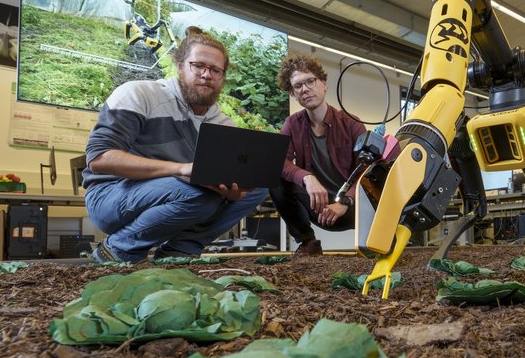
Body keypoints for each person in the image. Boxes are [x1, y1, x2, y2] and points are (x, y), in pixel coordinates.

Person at [82, 26, 267, 263]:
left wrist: (232, 193)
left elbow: (226, 188)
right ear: (180, 66)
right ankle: (118, 249)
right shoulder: (138, 94)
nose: (206, 74)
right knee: (197, 194)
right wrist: (181, 169)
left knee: (259, 186)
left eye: (215, 70)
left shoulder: (223, 124)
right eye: (198, 65)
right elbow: (99, 159)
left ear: (222, 77)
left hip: (178, 192)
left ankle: (179, 251)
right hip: (110, 195)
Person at [271, 53, 368, 256]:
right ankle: (308, 243)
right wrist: (307, 177)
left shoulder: (351, 123)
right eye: (298, 86)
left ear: (323, 83)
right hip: (319, 206)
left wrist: (345, 202)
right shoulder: (292, 124)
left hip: (354, 208)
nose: (305, 89)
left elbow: (367, 170)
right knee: (275, 178)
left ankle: (383, 241)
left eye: (310, 81)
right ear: (293, 93)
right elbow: (280, 162)